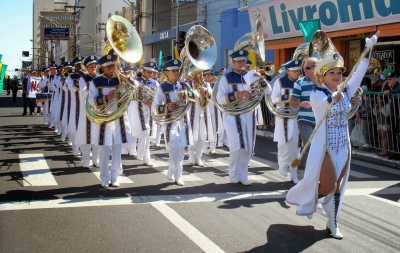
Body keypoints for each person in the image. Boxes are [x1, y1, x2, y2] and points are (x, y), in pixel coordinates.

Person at [286, 31, 379, 239]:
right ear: (323, 75)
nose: (337, 76)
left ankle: (333, 221)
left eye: (339, 72)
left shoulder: (346, 90)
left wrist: (369, 48)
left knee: (339, 186)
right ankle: (310, 199)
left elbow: (359, 73)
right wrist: (332, 99)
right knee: (329, 185)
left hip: (343, 145)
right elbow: (322, 103)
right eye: (333, 73)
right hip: (325, 146)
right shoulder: (317, 92)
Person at [216, 50, 271, 185]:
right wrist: (238, 94)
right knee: (236, 146)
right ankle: (233, 173)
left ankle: (243, 174)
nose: (242, 64)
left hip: (249, 114)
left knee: (248, 146)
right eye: (239, 61)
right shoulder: (226, 78)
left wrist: (262, 79)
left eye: (243, 61)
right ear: (233, 62)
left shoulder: (253, 75)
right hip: (233, 116)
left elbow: (269, 91)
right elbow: (220, 99)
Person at [88, 54, 134, 188]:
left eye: (113, 65)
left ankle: (115, 176)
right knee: (104, 150)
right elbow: (91, 101)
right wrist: (106, 98)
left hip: (118, 119)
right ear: (102, 67)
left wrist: (126, 79)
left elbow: (135, 89)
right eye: (108, 66)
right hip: (103, 120)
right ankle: (104, 177)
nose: (111, 68)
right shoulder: (95, 82)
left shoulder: (120, 80)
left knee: (117, 149)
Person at [151, 59, 198, 186]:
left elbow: (196, 97)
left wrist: (186, 94)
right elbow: (155, 107)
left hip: (184, 122)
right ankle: (177, 173)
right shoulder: (162, 88)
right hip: (170, 123)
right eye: (173, 71)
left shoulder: (184, 85)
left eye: (177, 70)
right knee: (174, 148)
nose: (176, 72)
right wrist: (166, 108)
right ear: (167, 72)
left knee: (182, 149)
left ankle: (175, 171)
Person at [271, 59, 302, 184]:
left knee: (297, 147)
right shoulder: (280, 82)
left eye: (298, 71)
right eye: (294, 71)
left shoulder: (302, 82)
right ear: (288, 71)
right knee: (285, 143)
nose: (297, 73)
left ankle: (294, 173)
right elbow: (273, 99)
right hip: (284, 116)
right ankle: (283, 164)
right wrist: (289, 98)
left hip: (298, 116)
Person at [290, 57, 317, 180]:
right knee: (309, 144)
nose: (304, 70)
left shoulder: (325, 82)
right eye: (304, 68)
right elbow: (292, 101)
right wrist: (301, 104)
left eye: (307, 68)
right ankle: (301, 168)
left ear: (315, 68)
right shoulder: (300, 82)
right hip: (304, 119)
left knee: (319, 146)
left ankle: (315, 171)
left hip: (320, 120)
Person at [74, 55, 100, 168]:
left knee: (98, 135)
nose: (93, 69)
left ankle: (96, 159)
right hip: (87, 111)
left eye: (95, 66)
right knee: (86, 135)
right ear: (87, 68)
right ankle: (86, 159)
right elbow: (84, 94)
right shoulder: (83, 79)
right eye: (91, 67)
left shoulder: (101, 79)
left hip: (99, 110)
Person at [133, 62, 160, 166]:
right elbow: (133, 95)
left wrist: (153, 102)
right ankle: (141, 153)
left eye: (151, 72)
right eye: (148, 72)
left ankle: (145, 156)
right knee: (145, 130)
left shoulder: (155, 83)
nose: (150, 74)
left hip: (151, 109)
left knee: (149, 133)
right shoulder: (137, 82)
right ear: (143, 71)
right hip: (139, 109)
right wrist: (144, 100)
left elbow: (158, 96)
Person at [187, 68, 214, 166]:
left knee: (202, 136)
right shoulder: (188, 84)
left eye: (201, 74)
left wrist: (206, 92)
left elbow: (211, 96)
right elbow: (187, 96)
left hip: (204, 114)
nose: (200, 76)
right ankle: (191, 155)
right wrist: (197, 91)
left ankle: (198, 156)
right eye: (198, 74)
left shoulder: (207, 85)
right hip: (192, 113)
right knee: (192, 135)